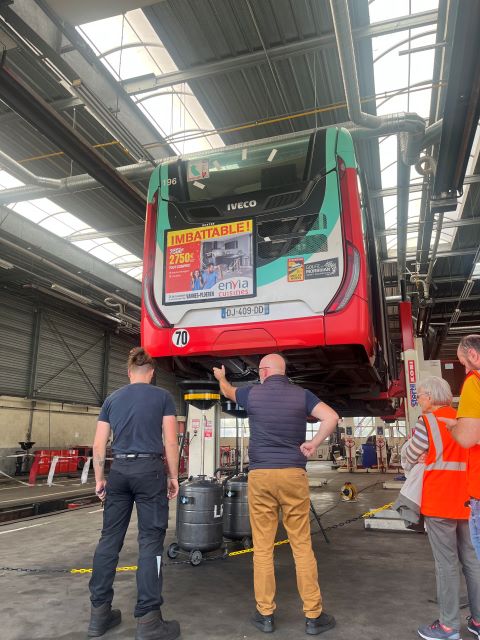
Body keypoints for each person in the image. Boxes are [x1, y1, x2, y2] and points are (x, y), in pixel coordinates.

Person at [213, 353, 339, 636]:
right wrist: (313, 442)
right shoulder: (302, 395)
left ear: (265, 371)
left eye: (259, 371)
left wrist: (222, 378)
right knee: (301, 546)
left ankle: (265, 614)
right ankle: (313, 616)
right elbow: (332, 417)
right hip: (293, 475)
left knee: (263, 548)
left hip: (261, 476)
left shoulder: (253, 394)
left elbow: (229, 392)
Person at [87, 347, 180, 640]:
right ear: (151, 373)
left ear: (129, 373)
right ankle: (149, 620)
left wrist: (101, 478)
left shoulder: (112, 399)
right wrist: (174, 476)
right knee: (150, 542)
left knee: (109, 540)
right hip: (150, 471)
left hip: (120, 473)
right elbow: (170, 442)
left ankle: (99, 615)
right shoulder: (163, 397)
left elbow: (99, 446)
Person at [403, 376, 480, 640]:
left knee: (446, 564)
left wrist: (412, 457)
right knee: (472, 561)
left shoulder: (427, 422)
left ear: (431, 396)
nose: (420, 399)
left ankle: (448, 627)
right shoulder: (465, 420)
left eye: (421, 394)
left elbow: (410, 455)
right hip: (468, 502)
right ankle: (479, 622)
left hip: (439, 502)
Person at [446, 335, 480, 568]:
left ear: (473, 355)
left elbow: (468, 438)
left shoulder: (474, 380)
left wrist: (454, 427)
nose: (464, 368)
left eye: (462, 362)